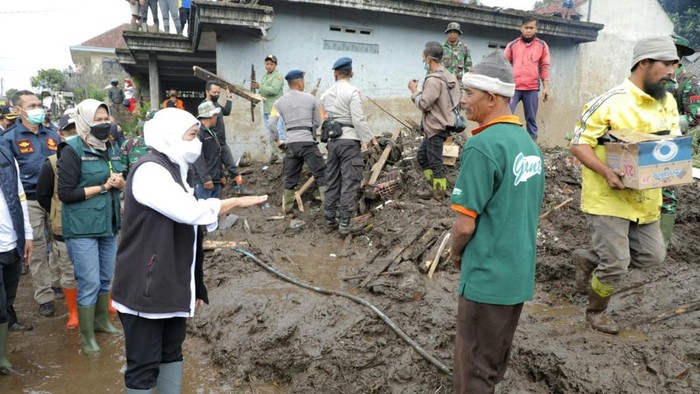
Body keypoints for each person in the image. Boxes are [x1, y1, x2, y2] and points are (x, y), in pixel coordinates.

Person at [111, 108, 267, 393]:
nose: (197, 143)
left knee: (172, 352)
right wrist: (231, 203)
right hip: (145, 287)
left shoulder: (178, 171)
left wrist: (196, 285)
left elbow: (190, 236)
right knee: (143, 366)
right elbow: (188, 213)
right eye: (192, 136)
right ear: (169, 136)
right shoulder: (149, 170)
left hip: (169, 284)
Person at [569, 36, 680, 335]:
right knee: (617, 263)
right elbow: (578, 145)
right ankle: (596, 312)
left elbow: (670, 145)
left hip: (646, 199)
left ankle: (589, 258)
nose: (673, 70)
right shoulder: (608, 102)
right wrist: (607, 171)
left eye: (676, 64)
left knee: (652, 256)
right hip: (608, 196)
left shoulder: (667, 102)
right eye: (667, 63)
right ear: (644, 63)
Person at [450, 51, 545, 393]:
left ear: (491, 98)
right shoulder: (530, 147)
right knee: (491, 363)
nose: (463, 101)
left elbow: (463, 226)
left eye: (469, 94)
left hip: (486, 279)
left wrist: (455, 253)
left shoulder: (482, 145)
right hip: (517, 277)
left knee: (472, 372)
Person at [57, 99, 126, 353]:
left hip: (109, 223)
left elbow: (122, 174)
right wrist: (103, 187)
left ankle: (100, 321)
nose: (103, 123)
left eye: (105, 118)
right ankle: (87, 339)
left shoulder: (112, 146)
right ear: (84, 120)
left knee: (107, 277)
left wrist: (121, 183)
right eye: (97, 119)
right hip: (83, 227)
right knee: (89, 281)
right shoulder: (71, 150)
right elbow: (65, 193)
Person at [1, 90, 61, 319]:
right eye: (33, 105)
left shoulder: (53, 135)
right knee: (36, 248)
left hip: (55, 198)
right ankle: (45, 296)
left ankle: (56, 282)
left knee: (59, 243)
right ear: (18, 110)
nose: (39, 108)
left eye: (39, 104)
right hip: (30, 200)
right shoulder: (9, 139)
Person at [320, 57, 378, 234]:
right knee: (350, 181)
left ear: (335, 74)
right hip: (349, 141)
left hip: (333, 142)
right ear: (351, 73)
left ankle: (330, 219)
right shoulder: (353, 92)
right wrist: (369, 138)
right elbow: (358, 119)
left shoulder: (326, 94)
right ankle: (345, 223)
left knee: (332, 180)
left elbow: (325, 117)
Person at [36, 113, 80, 330]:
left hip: (91, 224)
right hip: (64, 227)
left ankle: (103, 305)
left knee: (100, 270)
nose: (73, 135)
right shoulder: (52, 164)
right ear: (60, 134)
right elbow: (43, 196)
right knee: (69, 271)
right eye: (69, 131)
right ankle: (73, 312)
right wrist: (56, 213)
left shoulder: (94, 157)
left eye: (77, 130)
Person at [409, 41, 461, 201]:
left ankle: (438, 194)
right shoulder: (449, 76)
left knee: (435, 163)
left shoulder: (433, 80)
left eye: (423, 57)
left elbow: (424, 103)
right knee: (422, 157)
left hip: (435, 126)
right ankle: (435, 187)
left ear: (429, 59)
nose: (423, 60)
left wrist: (414, 91)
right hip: (444, 124)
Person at [269, 69, 326, 213]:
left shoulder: (278, 102)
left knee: (290, 177)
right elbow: (318, 122)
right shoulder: (311, 99)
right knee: (321, 173)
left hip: (291, 144)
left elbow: (271, 124)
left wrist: (277, 140)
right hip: (307, 142)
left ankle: (287, 209)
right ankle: (328, 208)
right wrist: (308, 130)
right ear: (300, 83)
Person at [0, 145, 33, 375]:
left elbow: (20, 195)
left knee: (8, 299)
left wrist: (27, 233)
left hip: (12, 240)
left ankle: (1, 356)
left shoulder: (5, 153)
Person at [504, 17, 550, 140]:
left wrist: (546, 87)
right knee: (506, 116)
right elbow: (504, 65)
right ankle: (506, 141)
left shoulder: (542, 45)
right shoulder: (512, 45)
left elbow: (544, 66)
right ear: (521, 28)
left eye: (531, 28)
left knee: (531, 118)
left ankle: (532, 145)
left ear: (536, 29)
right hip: (514, 88)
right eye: (526, 28)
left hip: (531, 88)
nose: (528, 30)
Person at [202, 81, 243, 192]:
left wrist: (229, 96)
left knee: (231, 166)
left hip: (222, 142)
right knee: (216, 168)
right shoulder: (204, 107)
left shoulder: (216, 105)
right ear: (207, 92)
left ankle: (240, 188)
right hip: (212, 143)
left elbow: (226, 111)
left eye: (218, 92)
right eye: (214, 92)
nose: (217, 94)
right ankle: (216, 191)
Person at [192, 101, 224, 199]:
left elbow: (216, 155)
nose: (216, 118)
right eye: (215, 115)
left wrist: (221, 175)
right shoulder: (198, 133)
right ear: (211, 116)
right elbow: (198, 157)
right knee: (204, 211)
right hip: (204, 183)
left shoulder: (211, 132)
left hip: (214, 180)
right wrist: (205, 178)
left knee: (214, 212)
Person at [252, 54, 286, 146]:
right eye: (267, 64)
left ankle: (285, 156)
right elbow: (263, 91)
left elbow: (274, 90)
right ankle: (275, 156)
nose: (269, 66)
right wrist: (257, 96)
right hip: (267, 108)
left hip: (276, 109)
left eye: (271, 64)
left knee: (279, 132)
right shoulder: (265, 76)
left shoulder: (278, 76)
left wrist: (260, 86)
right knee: (272, 134)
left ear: (275, 65)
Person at [442, 22, 472, 88]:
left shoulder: (464, 48)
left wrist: (469, 84)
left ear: (458, 34)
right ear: (447, 33)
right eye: (450, 32)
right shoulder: (441, 47)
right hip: (444, 83)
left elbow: (468, 67)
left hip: (458, 85)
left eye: (455, 32)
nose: (452, 34)